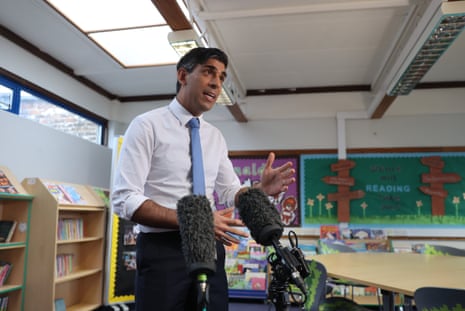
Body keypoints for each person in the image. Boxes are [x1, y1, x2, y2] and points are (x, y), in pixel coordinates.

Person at [111, 47, 295, 311]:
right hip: (163, 250)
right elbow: (125, 199)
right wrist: (196, 219)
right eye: (209, 72)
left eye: (221, 77)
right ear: (183, 75)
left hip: (210, 247)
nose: (217, 83)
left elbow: (230, 190)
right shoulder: (146, 125)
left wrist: (259, 190)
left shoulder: (214, 136)